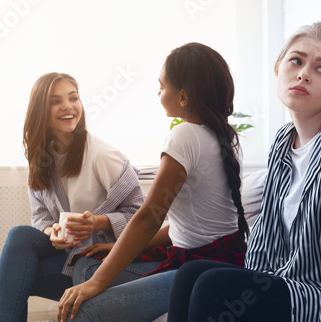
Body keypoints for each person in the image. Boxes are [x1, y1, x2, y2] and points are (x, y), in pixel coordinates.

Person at [167, 22, 321, 322]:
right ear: (279, 68)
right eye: (296, 61)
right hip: (301, 283)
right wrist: (250, 285)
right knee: (191, 274)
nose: (303, 74)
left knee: (212, 286)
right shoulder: (283, 142)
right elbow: (268, 232)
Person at [57, 42, 249, 322]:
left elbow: (150, 217)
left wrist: (97, 284)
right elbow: (191, 228)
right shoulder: (224, 136)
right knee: (86, 266)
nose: (158, 92)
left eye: (162, 85)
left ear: (183, 96)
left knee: (85, 307)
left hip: (202, 270)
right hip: (221, 259)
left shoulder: (185, 135)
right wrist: (121, 246)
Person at [0, 72, 147, 322]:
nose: (67, 106)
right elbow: (40, 216)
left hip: (102, 258)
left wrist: (98, 222)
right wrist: (52, 231)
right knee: (19, 240)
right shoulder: (40, 158)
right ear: (40, 110)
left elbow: (143, 218)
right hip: (70, 253)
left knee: (7, 276)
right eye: (55, 101)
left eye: (73, 98)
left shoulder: (102, 155)